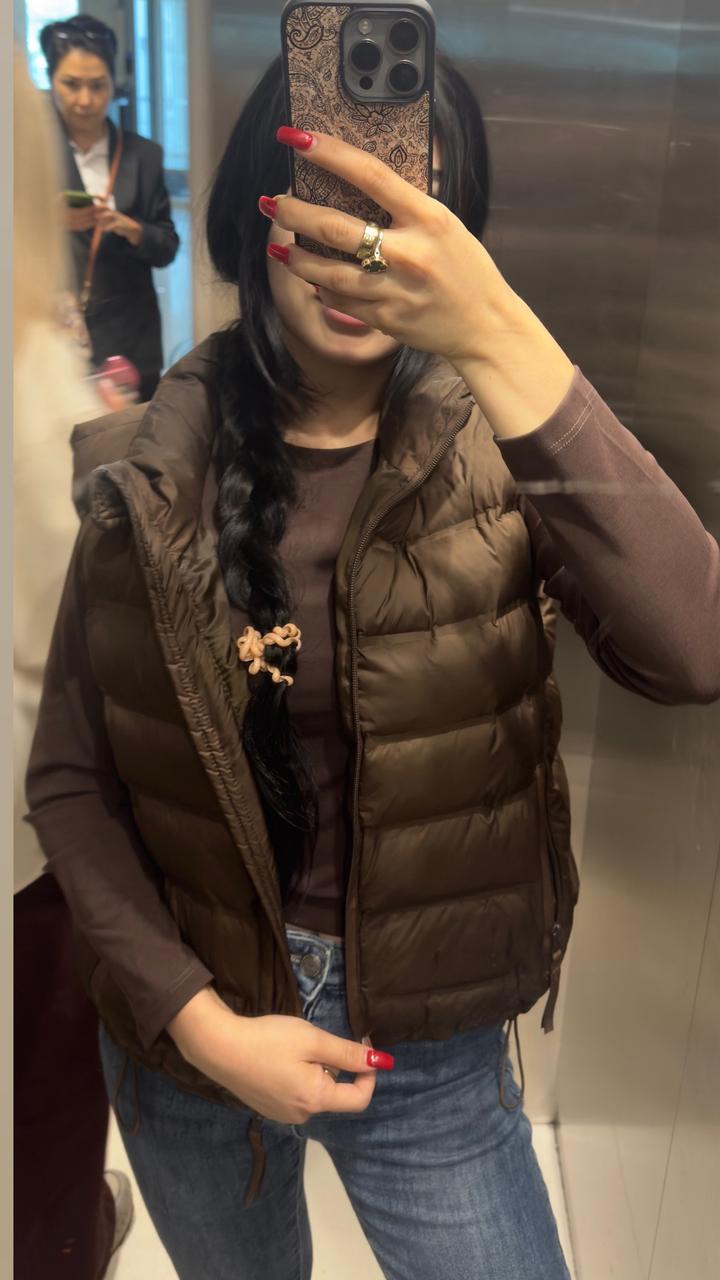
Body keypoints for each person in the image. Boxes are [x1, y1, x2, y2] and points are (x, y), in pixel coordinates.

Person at [26, 52, 720, 1280]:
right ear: (259, 209)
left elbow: (695, 648)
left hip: (431, 1047)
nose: (365, 244)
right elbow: (72, 780)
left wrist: (500, 331)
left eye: (411, 208)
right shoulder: (142, 473)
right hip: (189, 1036)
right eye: (331, 197)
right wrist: (200, 1023)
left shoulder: (514, 452)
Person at [13, 48, 134, 1280]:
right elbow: (72, 612)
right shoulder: (28, 376)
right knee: (48, 1090)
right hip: (29, 834)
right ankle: (66, 1239)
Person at [40, 13, 179, 402]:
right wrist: (50, 220)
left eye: (98, 85)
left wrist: (129, 227)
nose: (85, 100)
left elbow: (167, 246)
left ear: (112, 84)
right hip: (56, 335)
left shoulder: (143, 156)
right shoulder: (32, 156)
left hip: (130, 338)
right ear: (51, 80)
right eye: (71, 84)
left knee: (131, 435)